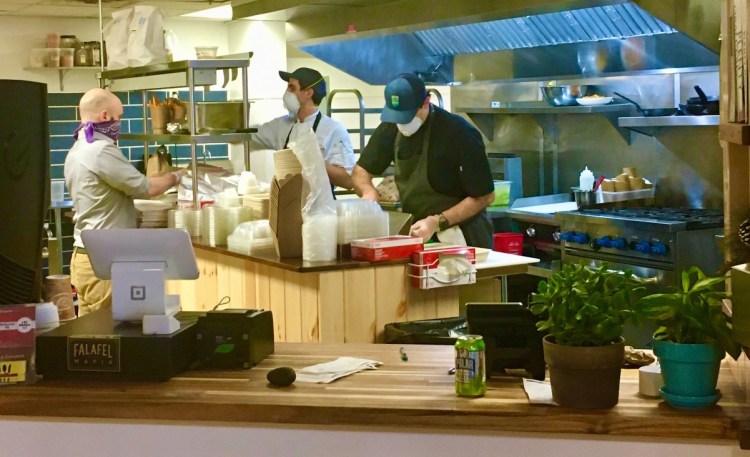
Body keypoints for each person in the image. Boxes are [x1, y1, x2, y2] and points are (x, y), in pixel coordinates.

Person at [64, 88, 186, 316]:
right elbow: (147, 189)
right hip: (104, 258)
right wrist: (177, 176)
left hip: (85, 256)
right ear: (104, 117)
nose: (119, 123)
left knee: (90, 336)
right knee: (107, 333)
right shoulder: (100, 151)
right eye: (119, 117)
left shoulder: (77, 149)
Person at [352, 73, 495, 248]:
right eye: (397, 116)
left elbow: (485, 196)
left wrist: (437, 221)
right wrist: (368, 193)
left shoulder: (459, 132)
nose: (402, 123)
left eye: (408, 116)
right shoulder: (391, 126)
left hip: (461, 236)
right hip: (418, 231)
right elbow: (361, 171)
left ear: (426, 102)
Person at [252, 67, 355, 190]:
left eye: (292, 88)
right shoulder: (281, 125)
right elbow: (248, 136)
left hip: (320, 206)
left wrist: (314, 162)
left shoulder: (333, 130)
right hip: (287, 204)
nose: (287, 92)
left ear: (308, 93)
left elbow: (348, 181)